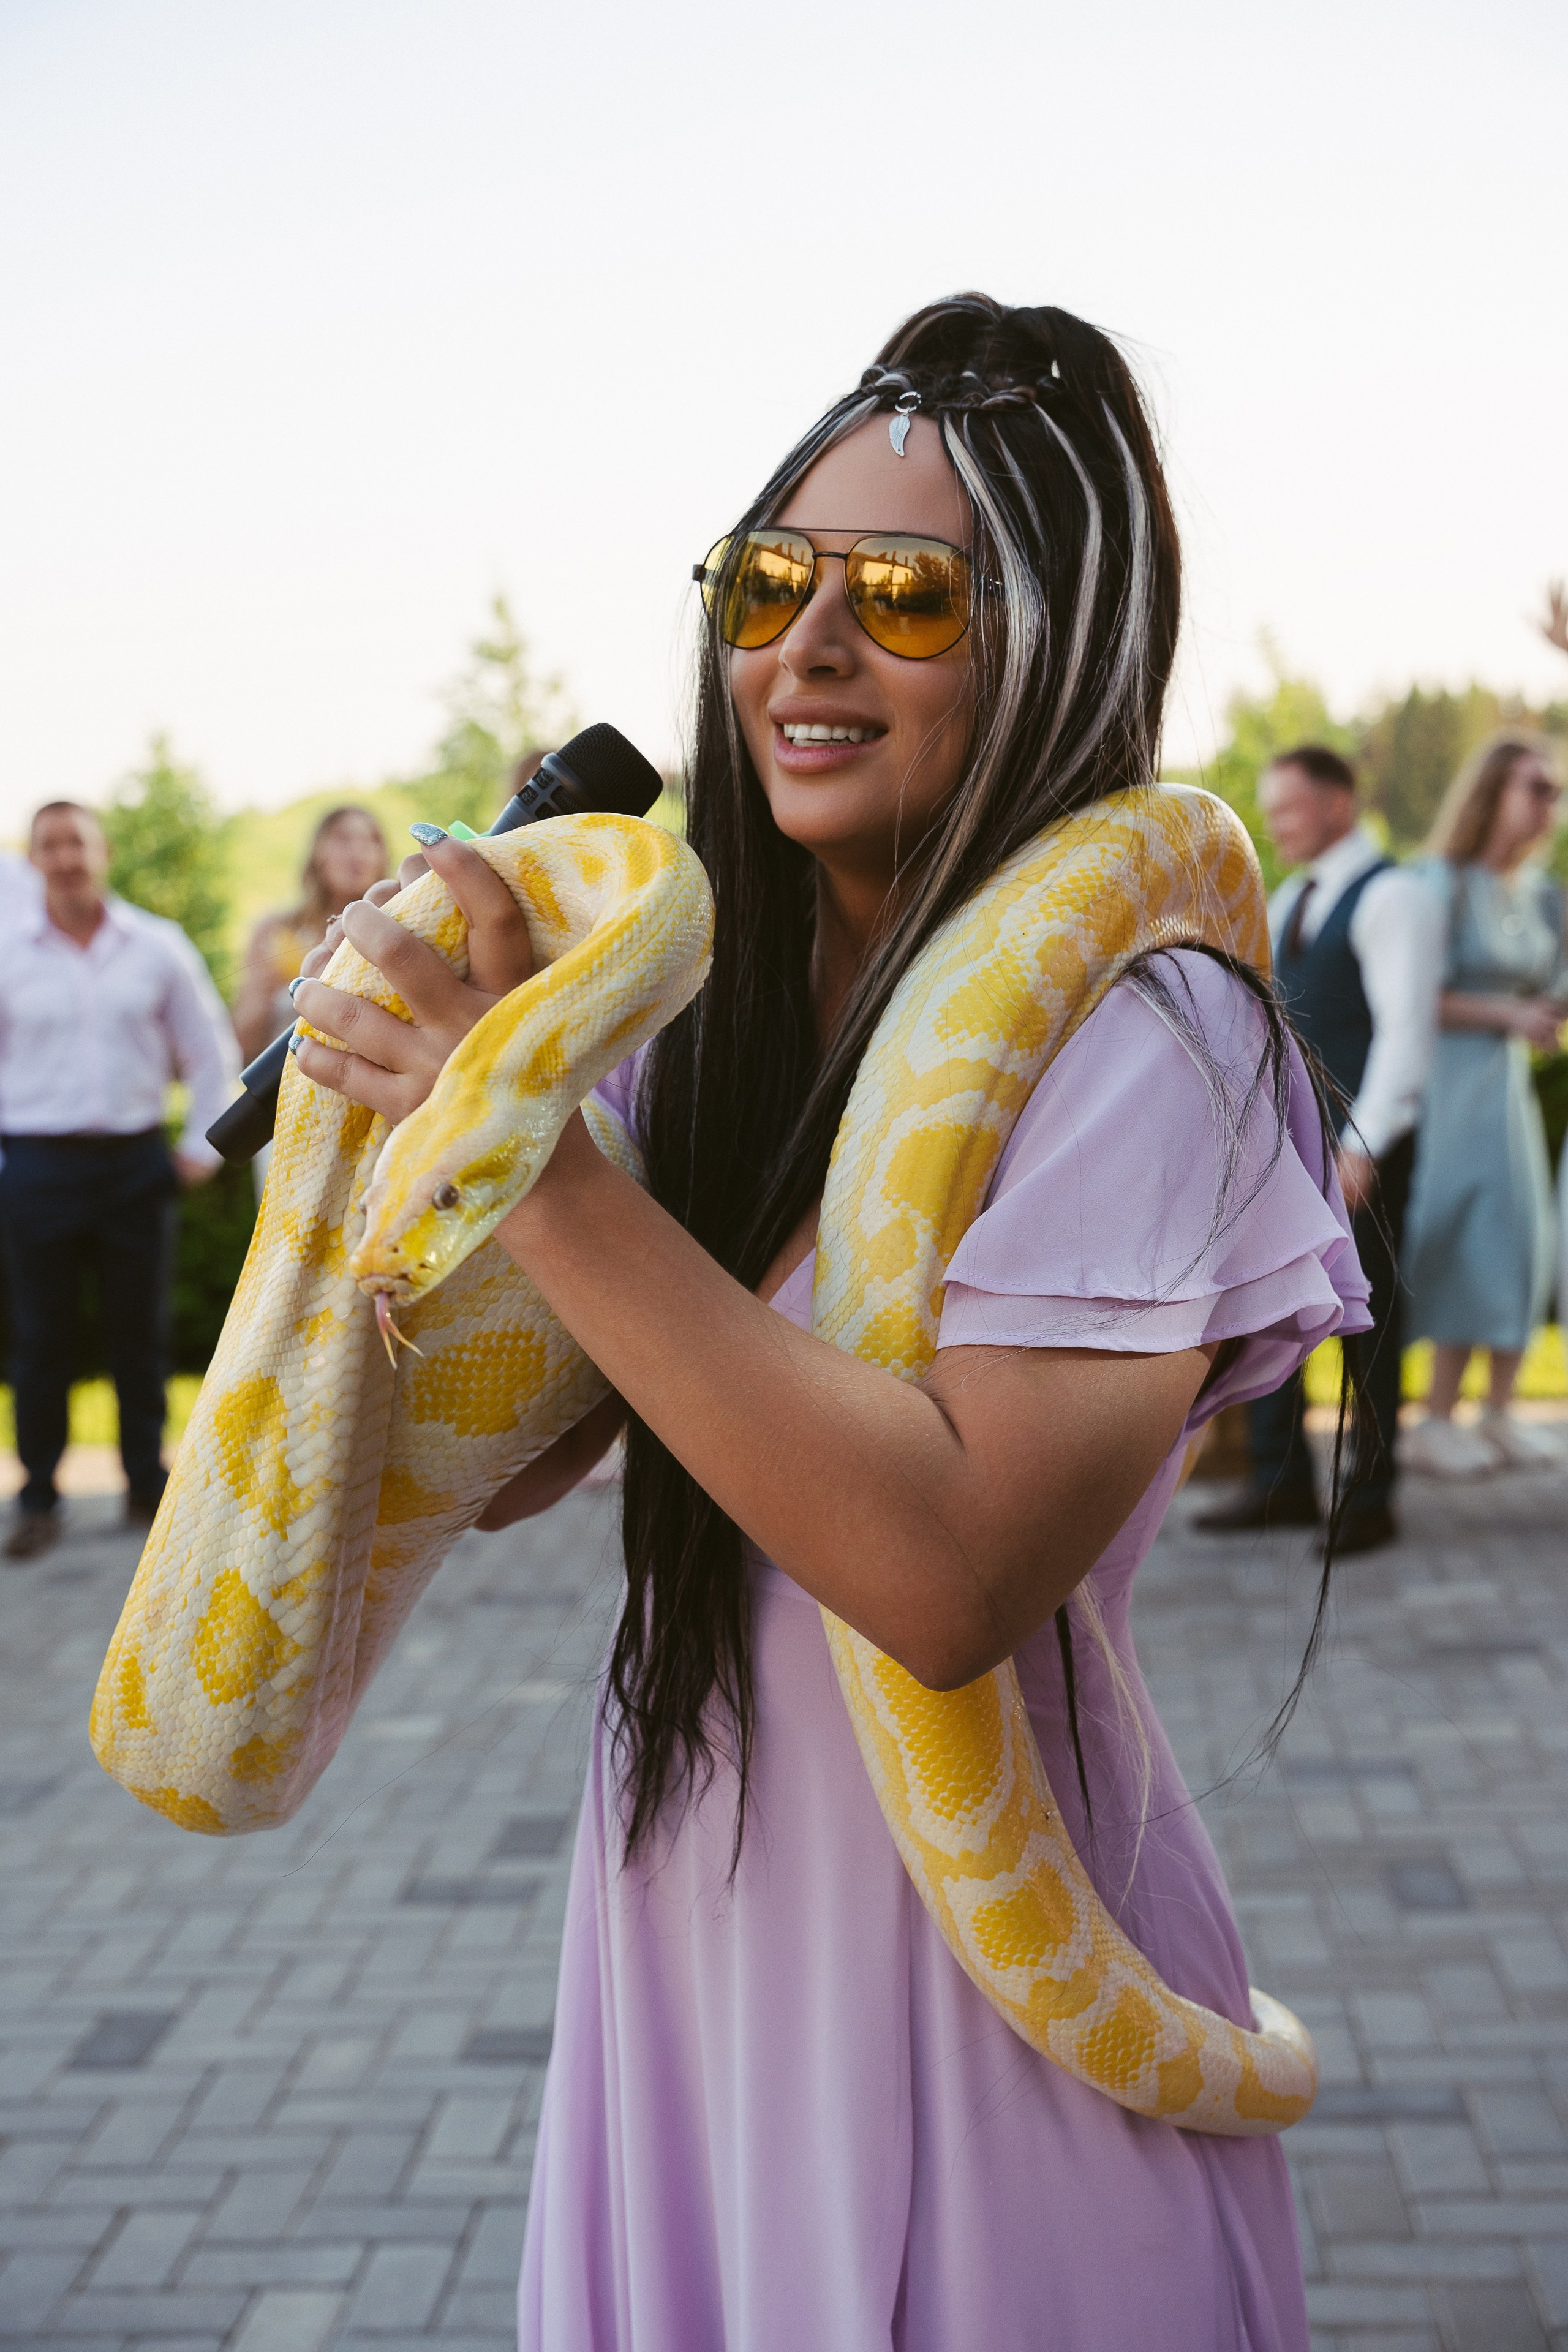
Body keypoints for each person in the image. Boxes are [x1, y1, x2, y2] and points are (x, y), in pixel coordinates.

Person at [290, 296, 1370, 2350]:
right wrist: (382, 1124)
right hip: (686, 1916)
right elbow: (508, 1471)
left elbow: (942, 1573)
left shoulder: (1150, 1038)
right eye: (771, 579)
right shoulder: (690, 1014)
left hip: (983, 1981)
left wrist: (522, 1140)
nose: (807, 645)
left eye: (908, 596)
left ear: (1055, 646)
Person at [1194, 746, 1442, 1551]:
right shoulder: (1295, 893)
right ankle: (1280, 1482)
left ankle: (1370, 1499)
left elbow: (1406, 1033)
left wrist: (1364, 1146)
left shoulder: (1393, 895)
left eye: (1290, 809)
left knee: (1369, 1322)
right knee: (1275, 1306)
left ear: (1337, 804)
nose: (1276, 825)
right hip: (1295, 1146)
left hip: (1367, 1145)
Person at [0, 801, 238, 1559]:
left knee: (142, 1333)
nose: (66, 857)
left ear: (103, 851)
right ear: (34, 857)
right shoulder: (7, 951)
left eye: (78, 842)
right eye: (50, 845)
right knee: (40, 1339)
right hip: (36, 1165)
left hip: (136, 1164)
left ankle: (145, 1485)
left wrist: (204, 1148)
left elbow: (210, 1049)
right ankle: (38, 1495)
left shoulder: (155, 947)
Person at [1401, 734, 1566, 1475]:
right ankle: (1435, 1416)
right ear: (1492, 792)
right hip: (1452, 1086)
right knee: (1462, 1229)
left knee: (1520, 1233)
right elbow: (1417, 998)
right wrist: (1511, 1018)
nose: (1548, 806)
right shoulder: (1438, 883)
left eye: (1555, 792)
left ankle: (1497, 1411)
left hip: (1508, 1090)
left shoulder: (1536, 893)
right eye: (1536, 788)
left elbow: (1545, 986)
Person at [231, 804, 390, 1063]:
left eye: (370, 840)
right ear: (318, 854)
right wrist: (261, 996)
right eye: (343, 839)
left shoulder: (393, 928)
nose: (358, 852)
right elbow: (241, 1048)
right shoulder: (274, 931)